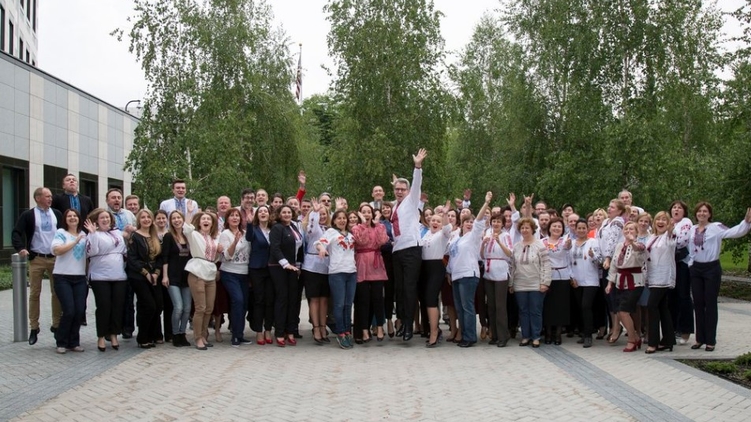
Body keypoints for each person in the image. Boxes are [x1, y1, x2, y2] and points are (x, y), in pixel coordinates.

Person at [688, 203, 751, 352]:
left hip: (711, 269)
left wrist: (746, 222)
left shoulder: (716, 227)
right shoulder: (692, 229)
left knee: (710, 303)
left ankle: (710, 340)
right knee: (698, 303)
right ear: (696, 214)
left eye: (705, 211)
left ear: (709, 214)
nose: (702, 213)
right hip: (696, 268)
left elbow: (734, 232)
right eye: (699, 211)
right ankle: (699, 338)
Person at [11, 187, 63, 345]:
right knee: (34, 293)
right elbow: (16, 232)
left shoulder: (57, 214)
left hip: (55, 259)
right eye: (47, 196)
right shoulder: (28, 215)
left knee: (57, 292)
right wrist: (21, 248)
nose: (50, 198)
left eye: (51, 196)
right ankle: (34, 327)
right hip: (37, 259)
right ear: (38, 198)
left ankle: (56, 325)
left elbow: (65, 232)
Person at [391, 148, 428, 341]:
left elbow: (416, 184)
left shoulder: (412, 201)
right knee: (399, 289)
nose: (399, 192)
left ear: (407, 191)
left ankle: (409, 325)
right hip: (397, 250)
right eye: (397, 189)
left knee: (409, 288)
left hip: (411, 249)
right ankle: (402, 321)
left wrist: (417, 166)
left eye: (402, 189)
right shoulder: (395, 206)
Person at [447, 192, 492, 348]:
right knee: (460, 308)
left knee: (467, 307)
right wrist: (449, 272)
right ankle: (464, 334)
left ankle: (470, 336)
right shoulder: (456, 239)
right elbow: (452, 257)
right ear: (461, 224)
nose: (470, 223)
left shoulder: (474, 236)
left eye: (471, 222)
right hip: (456, 276)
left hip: (468, 275)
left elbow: (479, 220)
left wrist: (486, 203)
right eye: (467, 221)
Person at [85, 208, 128, 352]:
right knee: (104, 306)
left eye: (107, 217)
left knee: (117, 307)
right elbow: (92, 252)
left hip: (119, 275)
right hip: (100, 276)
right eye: (102, 218)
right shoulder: (93, 234)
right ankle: (101, 336)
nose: (105, 220)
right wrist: (92, 234)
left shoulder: (117, 232)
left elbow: (124, 250)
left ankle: (114, 334)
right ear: (96, 221)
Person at [315, 209, 357, 349]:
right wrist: (322, 249)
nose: (342, 220)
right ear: (334, 220)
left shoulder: (351, 234)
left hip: (351, 272)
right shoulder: (331, 232)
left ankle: (347, 331)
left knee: (348, 304)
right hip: (337, 272)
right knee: (339, 304)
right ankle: (340, 332)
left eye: (344, 218)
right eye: (339, 218)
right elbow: (319, 243)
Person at [183, 212, 223, 350]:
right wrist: (189, 212)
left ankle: (204, 334)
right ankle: (198, 337)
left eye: (208, 219)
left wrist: (218, 251)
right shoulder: (194, 235)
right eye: (203, 219)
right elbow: (187, 228)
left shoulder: (213, 239)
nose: (206, 221)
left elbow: (215, 258)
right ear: (199, 223)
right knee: (200, 308)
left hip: (210, 273)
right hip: (197, 272)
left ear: (212, 223)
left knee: (209, 308)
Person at [605, 221, 647, 352]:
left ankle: (632, 339)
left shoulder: (639, 245)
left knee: (624, 311)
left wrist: (632, 241)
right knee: (620, 310)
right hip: (620, 281)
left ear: (637, 232)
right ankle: (635, 336)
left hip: (634, 281)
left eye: (631, 229)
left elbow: (640, 253)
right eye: (626, 229)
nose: (628, 231)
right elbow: (614, 265)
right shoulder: (619, 246)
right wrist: (610, 283)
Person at [50, 209, 87, 353]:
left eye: (75, 216)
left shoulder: (84, 234)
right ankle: (61, 342)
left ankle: (74, 342)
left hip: (80, 278)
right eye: (69, 216)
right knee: (69, 311)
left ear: (79, 218)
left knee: (79, 311)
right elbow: (57, 250)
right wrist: (75, 241)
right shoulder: (61, 233)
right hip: (62, 277)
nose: (72, 218)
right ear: (65, 219)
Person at [510, 217, 551, 348]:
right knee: (523, 311)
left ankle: (536, 337)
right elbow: (512, 266)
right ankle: (525, 336)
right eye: (522, 228)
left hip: (536, 283)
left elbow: (546, 265)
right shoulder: (516, 247)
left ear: (532, 229)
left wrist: (545, 282)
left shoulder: (540, 246)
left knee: (535, 311)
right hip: (520, 284)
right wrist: (511, 283)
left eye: (527, 227)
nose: (524, 230)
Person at [352, 204, 390, 344]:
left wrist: (378, 224)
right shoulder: (356, 228)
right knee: (363, 300)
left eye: (369, 212)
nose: (367, 214)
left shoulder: (379, 227)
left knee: (378, 298)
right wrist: (363, 224)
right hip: (362, 263)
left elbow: (382, 241)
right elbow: (361, 241)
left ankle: (380, 327)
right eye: (364, 212)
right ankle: (364, 330)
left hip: (376, 264)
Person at [126, 209, 164, 349]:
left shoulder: (155, 236)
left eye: (148, 217)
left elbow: (160, 257)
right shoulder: (135, 237)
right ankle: (143, 338)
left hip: (154, 275)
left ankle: (152, 335)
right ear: (139, 220)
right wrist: (146, 273)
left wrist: (156, 273)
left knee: (158, 305)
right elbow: (132, 259)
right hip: (138, 276)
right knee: (148, 305)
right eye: (143, 217)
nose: (146, 219)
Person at [268, 205, 304, 347]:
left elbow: (298, 248)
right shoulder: (277, 228)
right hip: (278, 267)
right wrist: (285, 263)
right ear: (279, 214)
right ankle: (279, 332)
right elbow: (275, 248)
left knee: (292, 300)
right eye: (284, 212)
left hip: (293, 267)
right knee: (282, 299)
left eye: (289, 212)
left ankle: (290, 331)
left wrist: (297, 266)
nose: (287, 214)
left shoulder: (293, 227)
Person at [420, 203, 452, 347]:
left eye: (438, 221)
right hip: (425, 268)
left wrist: (444, 214)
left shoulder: (442, 235)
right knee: (426, 300)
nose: (435, 222)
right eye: (433, 220)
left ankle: (434, 332)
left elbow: (447, 228)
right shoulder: (426, 233)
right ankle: (434, 329)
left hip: (436, 267)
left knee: (431, 299)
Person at [105, 188, 136, 339]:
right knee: (112, 299)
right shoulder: (103, 215)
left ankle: (128, 328)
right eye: (113, 198)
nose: (116, 200)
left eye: (119, 197)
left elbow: (139, 230)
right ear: (107, 200)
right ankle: (110, 329)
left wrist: (133, 229)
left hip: (129, 258)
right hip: (111, 260)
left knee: (128, 297)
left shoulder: (129, 214)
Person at [644, 211, 677, 353]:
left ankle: (653, 342)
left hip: (663, 277)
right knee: (662, 307)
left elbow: (672, 239)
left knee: (651, 305)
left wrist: (671, 230)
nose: (661, 222)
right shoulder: (652, 237)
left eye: (664, 220)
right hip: (652, 276)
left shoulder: (668, 237)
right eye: (658, 219)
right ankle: (668, 340)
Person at [219, 208, 252, 347]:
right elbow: (227, 256)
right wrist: (235, 242)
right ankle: (235, 336)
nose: (235, 218)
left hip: (244, 272)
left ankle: (240, 334)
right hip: (229, 272)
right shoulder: (225, 234)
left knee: (244, 304)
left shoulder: (245, 233)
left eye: (237, 216)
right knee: (237, 300)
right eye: (231, 216)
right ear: (227, 219)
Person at [482, 212, 514, 347]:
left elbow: (510, 253)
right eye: (494, 221)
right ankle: (494, 334)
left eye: (498, 222)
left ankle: (503, 335)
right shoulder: (487, 234)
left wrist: (499, 242)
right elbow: (482, 255)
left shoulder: (506, 236)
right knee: (491, 305)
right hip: (489, 270)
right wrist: (483, 244)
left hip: (500, 270)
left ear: (502, 224)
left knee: (500, 305)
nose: (496, 224)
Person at [161, 210, 192, 347]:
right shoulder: (168, 236)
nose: (176, 220)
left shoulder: (188, 236)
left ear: (182, 219)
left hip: (187, 276)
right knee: (178, 307)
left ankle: (182, 333)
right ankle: (174, 333)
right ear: (170, 221)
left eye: (179, 217)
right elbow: (165, 257)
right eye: (173, 218)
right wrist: (165, 276)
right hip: (173, 276)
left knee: (187, 308)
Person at [301, 199, 331, 344]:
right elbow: (312, 228)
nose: (322, 216)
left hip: (326, 267)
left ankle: (323, 327)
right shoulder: (313, 228)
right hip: (312, 267)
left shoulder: (329, 229)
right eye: (321, 214)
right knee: (314, 299)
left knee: (324, 299)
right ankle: (316, 328)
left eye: (324, 214)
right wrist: (315, 212)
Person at [570, 219, 602, 348]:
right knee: (580, 307)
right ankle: (583, 333)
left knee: (586, 306)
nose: (581, 230)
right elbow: (568, 262)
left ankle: (589, 335)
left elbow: (600, 261)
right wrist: (572, 277)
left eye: (584, 228)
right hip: (576, 280)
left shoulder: (593, 242)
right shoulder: (571, 243)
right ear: (575, 229)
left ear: (587, 229)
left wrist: (593, 256)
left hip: (590, 280)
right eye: (579, 228)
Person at [599, 199, 627, 343]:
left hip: (613, 261)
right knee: (608, 297)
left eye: (612, 207)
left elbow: (612, 241)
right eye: (609, 206)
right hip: (604, 261)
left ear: (620, 211)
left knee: (613, 295)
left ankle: (617, 326)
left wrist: (608, 258)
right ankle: (613, 325)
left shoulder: (617, 222)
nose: (609, 209)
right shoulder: (606, 222)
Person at [246, 205, 274, 345]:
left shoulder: (273, 229)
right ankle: (258, 330)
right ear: (257, 215)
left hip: (272, 269)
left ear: (269, 214)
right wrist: (249, 224)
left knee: (270, 300)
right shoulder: (254, 229)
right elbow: (248, 237)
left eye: (265, 211)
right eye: (260, 211)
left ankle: (268, 329)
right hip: (257, 268)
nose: (263, 213)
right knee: (259, 300)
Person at [542, 217, 572, 345]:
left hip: (562, 276)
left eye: (559, 226)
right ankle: (548, 333)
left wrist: (568, 245)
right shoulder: (542, 242)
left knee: (560, 306)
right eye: (554, 226)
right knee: (548, 306)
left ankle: (558, 334)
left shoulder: (565, 241)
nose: (556, 228)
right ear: (549, 228)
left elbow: (569, 253)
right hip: (547, 276)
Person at [670, 200, 694, 345]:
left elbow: (681, 241)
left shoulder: (686, 223)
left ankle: (685, 330)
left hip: (683, 264)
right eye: (674, 207)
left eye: (679, 208)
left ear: (684, 211)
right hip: (670, 264)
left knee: (683, 296)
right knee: (671, 297)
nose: (676, 210)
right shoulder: (669, 223)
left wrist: (667, 241)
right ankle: (673, 328)